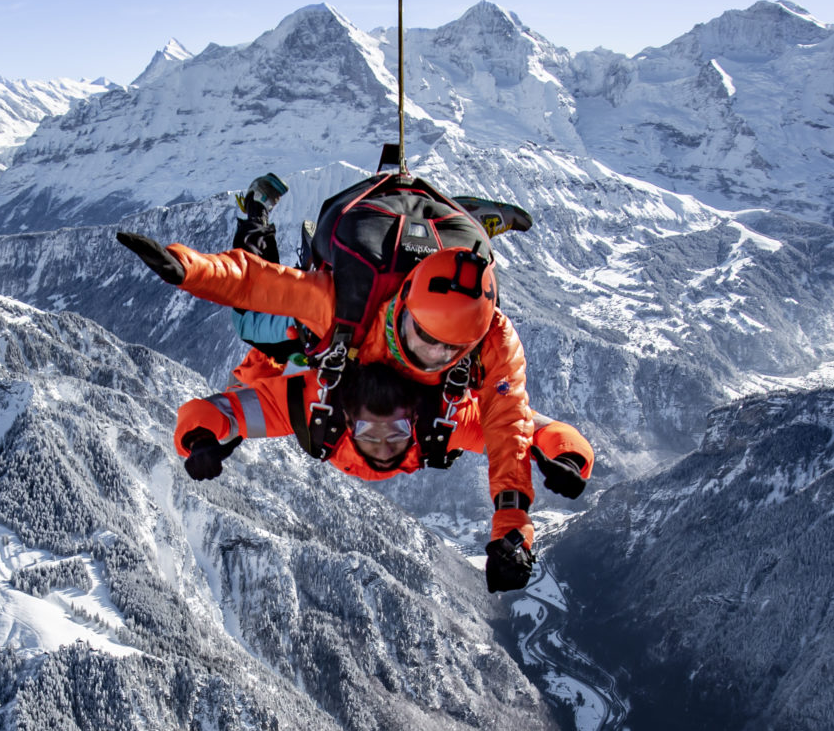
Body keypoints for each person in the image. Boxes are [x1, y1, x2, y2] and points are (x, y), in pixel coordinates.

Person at [119, 226, 547, 591]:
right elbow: (261, 284)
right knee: (254, 324)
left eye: (452, 349)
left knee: (261, 333)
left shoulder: (492, 339)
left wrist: (512, 523)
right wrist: (190, 270)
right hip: (322, 336)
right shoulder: (346, 305)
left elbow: (510, 422)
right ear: (405, 309)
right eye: (425, 336)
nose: (434, 355)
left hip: (351, 359)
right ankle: (254, 223)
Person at [175, 360, 594, 498]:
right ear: (346, 421)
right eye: (371, 432)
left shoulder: (445, 419)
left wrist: (565, 456)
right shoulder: (308, 404)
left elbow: (533, 427)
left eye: (393, 431)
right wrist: (201, 438)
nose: (381, 446)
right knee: (260, 365)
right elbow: (223, 410)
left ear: (413, 419)